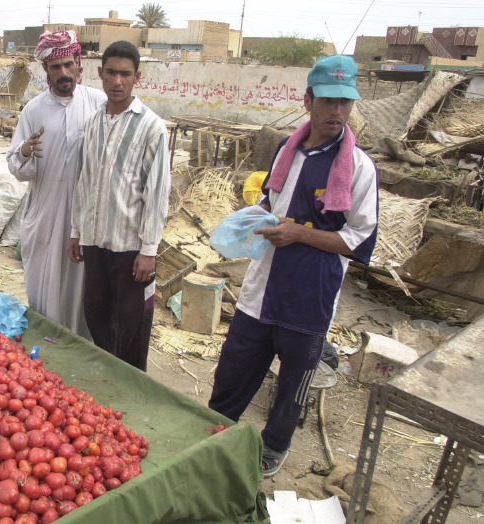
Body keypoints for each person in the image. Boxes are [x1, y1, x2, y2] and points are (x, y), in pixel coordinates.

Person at [207, 54, 379, 478]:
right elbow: (272, 202)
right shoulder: (288, 149)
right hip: (262, 287)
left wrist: (299, 233)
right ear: (308, 101)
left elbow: (358, 242)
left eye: (345, 102)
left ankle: (274, 444)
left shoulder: (358, 167)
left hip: (311, 294)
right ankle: (212, 427)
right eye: (327, 101)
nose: (336, 111)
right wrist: (254, 218)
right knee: (235, 366)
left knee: (293, 384)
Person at [67, 41, 171, 371]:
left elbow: (157, 193)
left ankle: (132, 387)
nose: (117, 81)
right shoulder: (93, 123)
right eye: (110, 73)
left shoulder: (152, 127)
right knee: (97, 314)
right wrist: (76, 231)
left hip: (131, 248)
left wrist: (149, 250)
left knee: (132, 325)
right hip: (96, 242)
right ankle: (109, 380)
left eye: (125, 74)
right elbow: (84, 182)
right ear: (100, 73)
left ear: (136, 77)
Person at [6, 30, 107, 339]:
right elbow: (15, 165)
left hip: (85, 217)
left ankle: (81, 346)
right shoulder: (34, 110)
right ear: (45, 71)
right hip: (45, 215)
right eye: (55, 67)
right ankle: (46, 345)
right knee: (43, 284)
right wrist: (24, 150)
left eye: (68, 65)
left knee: (82, 287)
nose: (63, 73)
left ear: (78, 64)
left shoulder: (97, 102)